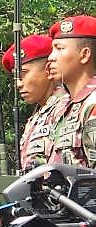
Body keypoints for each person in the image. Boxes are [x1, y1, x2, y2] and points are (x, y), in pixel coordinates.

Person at [2, 34, 67, 171]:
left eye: (23, 74)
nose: (18, 84)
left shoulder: (68, 110)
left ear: (48, 70)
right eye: (15, 77)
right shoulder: (36, 118)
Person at [46, 15, 96, 168]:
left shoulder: (92, 103)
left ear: (85, 54)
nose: (51, 57)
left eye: (59, 49)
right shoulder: (62, 108)